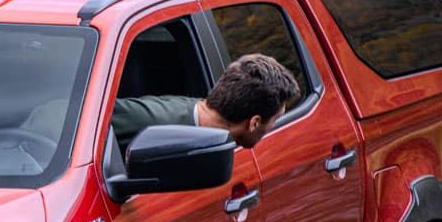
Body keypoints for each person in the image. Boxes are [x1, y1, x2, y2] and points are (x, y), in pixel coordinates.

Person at [111, 52, 300, 150]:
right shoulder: (148, 119)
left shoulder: (206, 127)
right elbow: (87, 117)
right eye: (275, 119)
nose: (274, 128)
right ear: (254, 122)